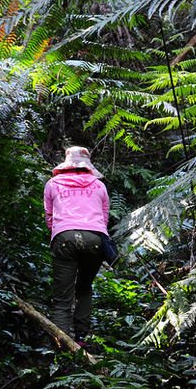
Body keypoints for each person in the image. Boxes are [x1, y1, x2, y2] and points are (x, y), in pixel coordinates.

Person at [43, 146, 110, 344]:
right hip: (95, 239)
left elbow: (49, 217)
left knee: (62, 298)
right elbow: (104, 218)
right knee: (84, 288)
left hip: (64, 236)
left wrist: (59, 234)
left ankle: (62, 345)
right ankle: (81, 339)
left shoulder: (52, 184)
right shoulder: (99, 186)